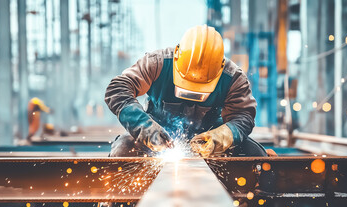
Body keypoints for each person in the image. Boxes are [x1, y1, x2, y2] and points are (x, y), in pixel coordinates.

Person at [105, 25, 267, 158]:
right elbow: (117, 89)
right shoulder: (156, 64)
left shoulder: (233, 78)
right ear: (176, 56)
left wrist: (221, 137)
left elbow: (243, 117)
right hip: (157, 134)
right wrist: (144, 127)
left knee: (254, 155)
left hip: (208, 139)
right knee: (123, 149)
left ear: (221, 67)